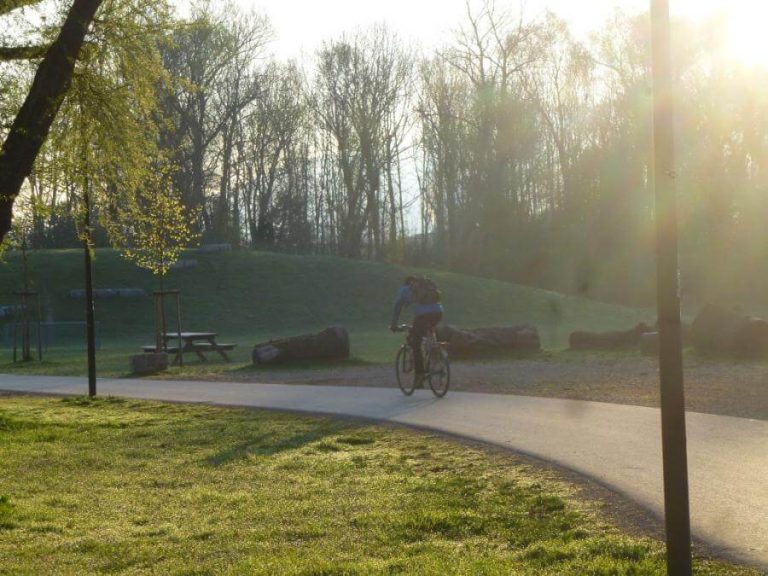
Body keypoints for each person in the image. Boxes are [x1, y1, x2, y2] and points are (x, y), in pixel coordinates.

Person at [390, 276, 443, 385]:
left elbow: (397, 306)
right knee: (428, 330)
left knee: (416, 343)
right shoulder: (427, 285)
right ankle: (433, 351)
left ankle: (420, 374)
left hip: (423, 315)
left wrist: (394, 325)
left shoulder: (405, 289)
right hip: (438, 313)